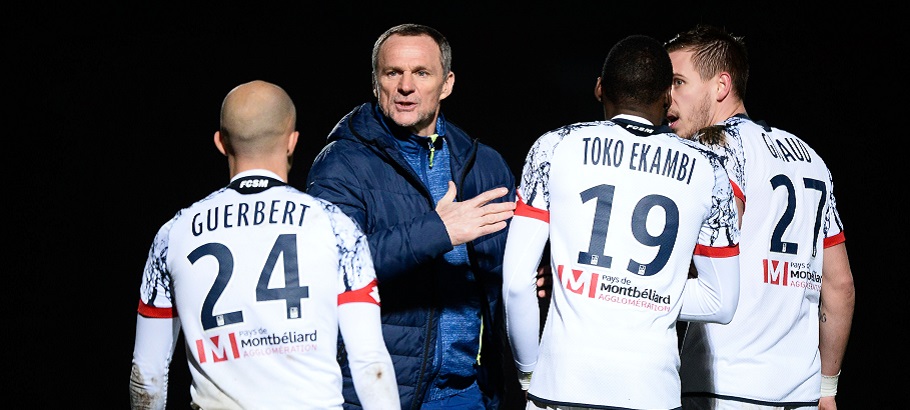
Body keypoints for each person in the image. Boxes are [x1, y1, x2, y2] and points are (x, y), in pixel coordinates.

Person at [502, 34, 742, 409]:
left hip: (560, 387)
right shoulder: (709, 170)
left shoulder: (554, 147)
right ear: (667, 96)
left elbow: (517, 284)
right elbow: (721, 303)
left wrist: (527, 372)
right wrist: (644, 292)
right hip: (652, 392)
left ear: (600, 88)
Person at [129, 80, 399, 410]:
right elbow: (370, 362)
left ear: (220, 142)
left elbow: (148, 373)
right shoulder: (336, 227)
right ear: (292, 141)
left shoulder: (173, 235)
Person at [305, 24, 521, 409]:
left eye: (421, 73)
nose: (406, 86)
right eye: (393, 73)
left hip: (467, 392)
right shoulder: (342, 163)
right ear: (376, 83)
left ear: (447, 83)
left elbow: (502, 268)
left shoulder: (484, 163)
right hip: (377, 394)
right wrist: (438, 231)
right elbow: (328, 267)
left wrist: (525, 272)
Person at [665, 24, 856, 410]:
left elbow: (698, 257)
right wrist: (827, 389)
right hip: (799, 392)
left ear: (721, 86)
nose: (667, 97)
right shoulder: (811, 158)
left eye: (678, 82)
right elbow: (840, 287)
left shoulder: (713, 148)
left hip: (726, 386)